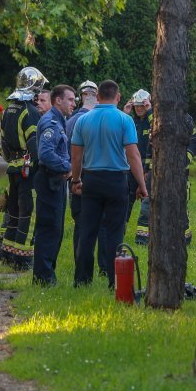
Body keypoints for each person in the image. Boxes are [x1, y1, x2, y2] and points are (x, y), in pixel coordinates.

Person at [70, 80, 147, 288]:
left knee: (87, 231)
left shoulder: (83, 121)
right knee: (115, 231)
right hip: (116, 180)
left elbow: (76, 157)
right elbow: (133, 155)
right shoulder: (125, 120)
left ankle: (82, 279)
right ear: (118, 97)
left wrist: (76, 180)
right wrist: (142, 184)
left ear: (97, 96)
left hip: (91, 179)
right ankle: (115, 280)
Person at [0, 67, 48, 270]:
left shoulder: (9, 109)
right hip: (28, 170)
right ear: (34, 87)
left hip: (13, 168)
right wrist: (39, 166)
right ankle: (22, 259)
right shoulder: (29, 111)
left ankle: (8, 253)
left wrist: (13, 161)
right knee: (28, 214)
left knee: (14, 212)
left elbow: (3, 145)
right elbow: (34, 144)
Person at [134, 105, 196, 246]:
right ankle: (142, 239)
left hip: (178, 171)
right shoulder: (158, 118)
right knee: (147, 204)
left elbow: (193, 141)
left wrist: (185, 159)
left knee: (179, 205)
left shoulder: (186, 119)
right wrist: (146, 169)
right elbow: (151, 146)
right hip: (156, 171)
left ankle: (184, 239)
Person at [32, 85, 76, 285]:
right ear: (58, 100)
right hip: (50, 180)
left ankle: (48, 273)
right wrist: (67, 166)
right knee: (49, 229)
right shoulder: (51, 122)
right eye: (70, 100)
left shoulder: (60, 121)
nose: (74, 104)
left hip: (56, 181)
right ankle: (44, 277)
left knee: (55, 229)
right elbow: (46, 154)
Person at [64, 80, 107, 271]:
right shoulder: (99, 119)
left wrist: (74, 178)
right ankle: (105, 268)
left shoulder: (71, 120)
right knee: (101, 225)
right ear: (96, 96)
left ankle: (81, 266)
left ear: (81, 97)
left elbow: (70, 154)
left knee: (81, 225)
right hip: (97, 178)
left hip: (76, 179)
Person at [125, 89, 153, 223]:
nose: (139, 109)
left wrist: (150, 111)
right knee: (126, 198)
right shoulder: (131, 122)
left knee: (147, 200)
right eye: (137, 106)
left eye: (142, 106)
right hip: (131, 165)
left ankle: (144, 235)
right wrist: (125, 113)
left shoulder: (152, 120)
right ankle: (122, 226)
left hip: (147, 166)